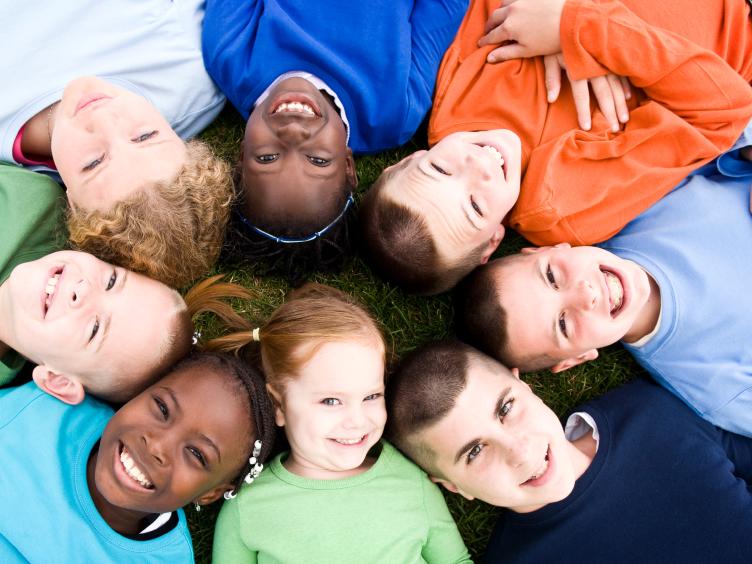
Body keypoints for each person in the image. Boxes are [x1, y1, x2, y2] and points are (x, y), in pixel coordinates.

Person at [359, 0, 752, 295]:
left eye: (439, 170)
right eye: (476, 206)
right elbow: (722, 110)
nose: (477, 165)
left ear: (409, 160)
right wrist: (577, 29)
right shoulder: (566, 207)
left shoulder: (454, 103)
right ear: (493, 240)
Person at [0, 131, 250, 445]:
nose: (83, 290)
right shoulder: (35, 204)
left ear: (57, 380)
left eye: (95, 328)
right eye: (112, 281)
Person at [0, 0, 231, 287]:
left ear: (72, 203)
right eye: (145, 136)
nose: (103, 118)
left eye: (94, 162)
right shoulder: (191, 65)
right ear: (182, 140)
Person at [453, 125, 752, 436]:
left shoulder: (633, 200)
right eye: (563, 324)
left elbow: (717, 130)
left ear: (550, 248)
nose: (585, 294)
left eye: (552, 276)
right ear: (576, 358)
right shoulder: (712, 384)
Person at [385, 340, 752, 564]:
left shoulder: (651, 409)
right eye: (476, 451)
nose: (520, 451)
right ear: (453, 487)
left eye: (506, 408)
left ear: (522, 383)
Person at [0, 353, 277, 563]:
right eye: (161, 408)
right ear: (137, 392)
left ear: (210, 494)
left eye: (196, 454)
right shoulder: (45, 410)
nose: (158, 445)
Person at [201, 0, 468, 284]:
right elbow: (443, 11)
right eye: (318, 160)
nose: (293, 134)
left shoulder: (228, 56)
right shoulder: (394, 114)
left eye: (267, 157)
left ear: (242, 153)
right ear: (349, 165)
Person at [204, 284, 472, 563]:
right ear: (279, 406)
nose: (358, 420)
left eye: (371, 396)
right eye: (331, 401)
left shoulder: (412, 483)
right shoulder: (248, 506)